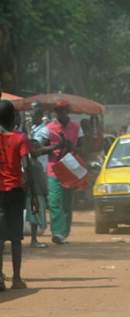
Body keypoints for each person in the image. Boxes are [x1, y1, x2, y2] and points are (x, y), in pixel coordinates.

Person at [36, 101, 83, 244]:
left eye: (62, 110)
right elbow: (39, 149)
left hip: (70, 169)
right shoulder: (48, 129)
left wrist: (72, 148)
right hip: (54, 169)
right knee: (55, 202)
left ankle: (64, 232)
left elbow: (83, 148)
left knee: (67, 202)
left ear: (67, 111)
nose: (59, 114)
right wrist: (55, 147)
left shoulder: (76, 128)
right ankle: (57, 233)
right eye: (57, 111)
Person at [0, 101, 31, 290]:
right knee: (15, 238)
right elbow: (26, 168)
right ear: (13, 118)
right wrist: (32, 194)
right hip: (16, 192)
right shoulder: (20, 138)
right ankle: (17, 278)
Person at [24, 103, 49, 244]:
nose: (32, 119)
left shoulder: (43, 131)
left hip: (38, 169)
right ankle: (33, 238)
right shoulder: (32, 129)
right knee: (32, 200)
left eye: (34, 116)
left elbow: (34, 148)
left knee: (36, 199)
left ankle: (34, 236)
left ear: (39, 116)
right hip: (30, 169)